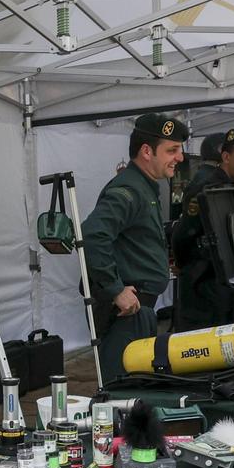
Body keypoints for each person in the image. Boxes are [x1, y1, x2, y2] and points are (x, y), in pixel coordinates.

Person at [84, 113, 184, 374]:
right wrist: (116, 289)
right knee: (121, 392)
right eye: (172, 150)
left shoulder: (144, 187)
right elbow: (93, 235)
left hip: (141, 311)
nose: (180, 158)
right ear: (147, 151)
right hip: (128, 314)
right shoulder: (129, 189)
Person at [170, 128, 234, 331]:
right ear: (226, 157)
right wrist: (191, 268)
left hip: (233, 291)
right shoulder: (207, 189)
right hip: (205, 295)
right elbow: (182, 237)